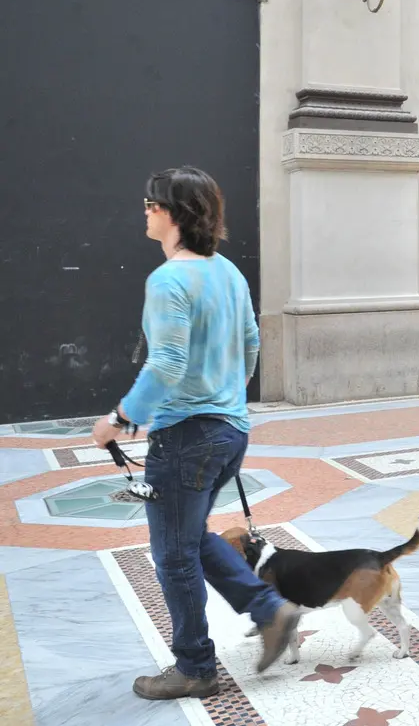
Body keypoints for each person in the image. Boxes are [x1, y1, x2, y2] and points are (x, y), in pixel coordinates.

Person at [89, 167, 300, 699]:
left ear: (174, 213)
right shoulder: (226, 270)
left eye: (150, 202)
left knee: (173, 554)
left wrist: (117, 419)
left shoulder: (168, 280)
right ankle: (270, 609)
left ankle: (194, 668)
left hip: (186, 438)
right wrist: (226, 393)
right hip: (230, 431)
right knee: (191, 538)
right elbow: (252, 342)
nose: (144, 210)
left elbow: (166, 363)